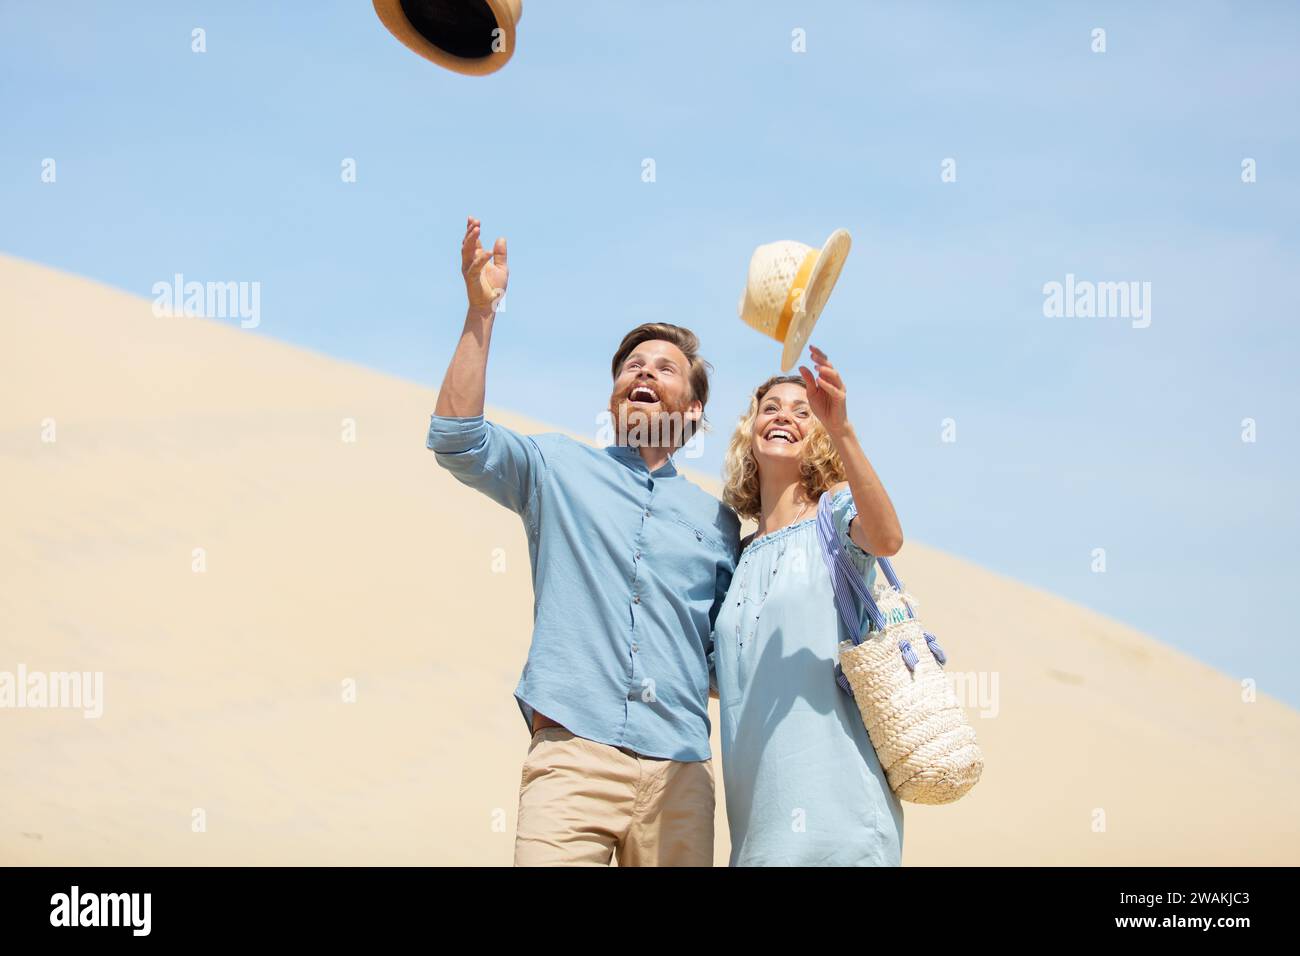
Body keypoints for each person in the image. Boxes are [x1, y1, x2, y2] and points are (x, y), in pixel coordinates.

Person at [426, 216, 740, 866]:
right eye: (632, 366)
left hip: (679, 771)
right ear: (615, 392)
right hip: (571, 758)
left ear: (691, 413)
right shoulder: (557, 467)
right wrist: (480, 313)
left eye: (665, 368)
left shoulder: (719, 526)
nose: (643, 374)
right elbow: (457, 441)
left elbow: (730, 660)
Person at [711, 348, 906, 865]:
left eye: (802, 411)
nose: (783, 417)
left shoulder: (836, 515)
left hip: (839, 826)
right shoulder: (737, 555)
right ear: (750, 429)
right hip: (756, 829)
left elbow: (886, 538)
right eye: (770, 407)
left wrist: (842, 426)